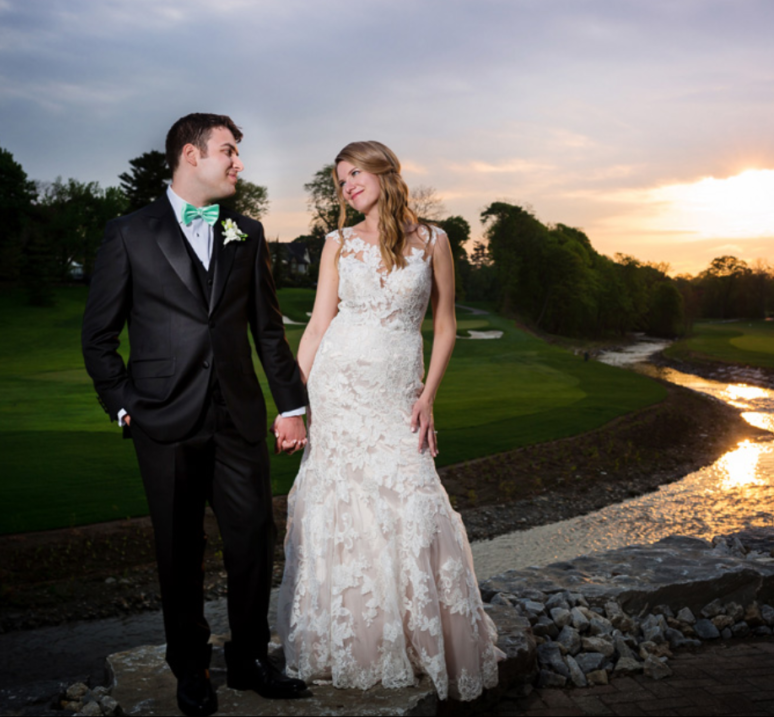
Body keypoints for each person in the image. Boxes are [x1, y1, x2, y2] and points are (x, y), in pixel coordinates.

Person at [82, 113, 309, 716]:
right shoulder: (129, 232)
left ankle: (251, 659)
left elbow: (267, 331)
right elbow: (98, 337)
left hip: (237, 418)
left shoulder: (248, 232)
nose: (239, 164)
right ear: (191, 154)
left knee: (253, 541)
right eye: (229, 152)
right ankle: (191, 668)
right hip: (162, 421)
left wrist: (291, 404)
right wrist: (124, 408)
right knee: (178, 550)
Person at [277, 141, 502, 701]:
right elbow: (315, 327)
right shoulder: (336, 244)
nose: (347, 185)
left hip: (398, 392)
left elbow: (444, 325)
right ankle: (351, 643)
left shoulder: (435, 240)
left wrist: (427, 397)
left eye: (355, 173)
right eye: (340, 179)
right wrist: (292, 404)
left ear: (384, 171)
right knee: (339, 505)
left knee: (414, 498)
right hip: (337, 391)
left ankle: (423, 638)